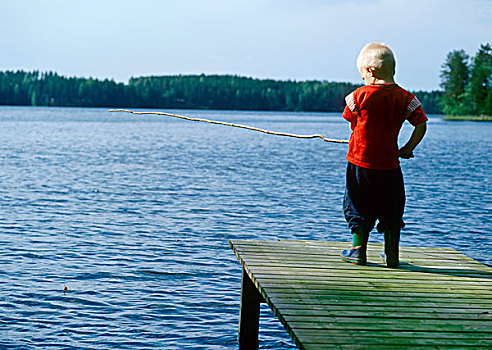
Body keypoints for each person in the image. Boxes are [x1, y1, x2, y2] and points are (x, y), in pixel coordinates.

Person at [339, 42, 427, 268]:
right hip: (390, 167)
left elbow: (351, 119)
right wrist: (408, 148)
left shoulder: (356, 97)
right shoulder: (406, 98)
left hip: (359, 165)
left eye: (362, 76)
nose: (363, 81)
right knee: (392, 208)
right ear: (392, 71)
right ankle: (391, 254)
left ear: (370, 71)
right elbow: (421, 125)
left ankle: (358, 251)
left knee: (358, 205)